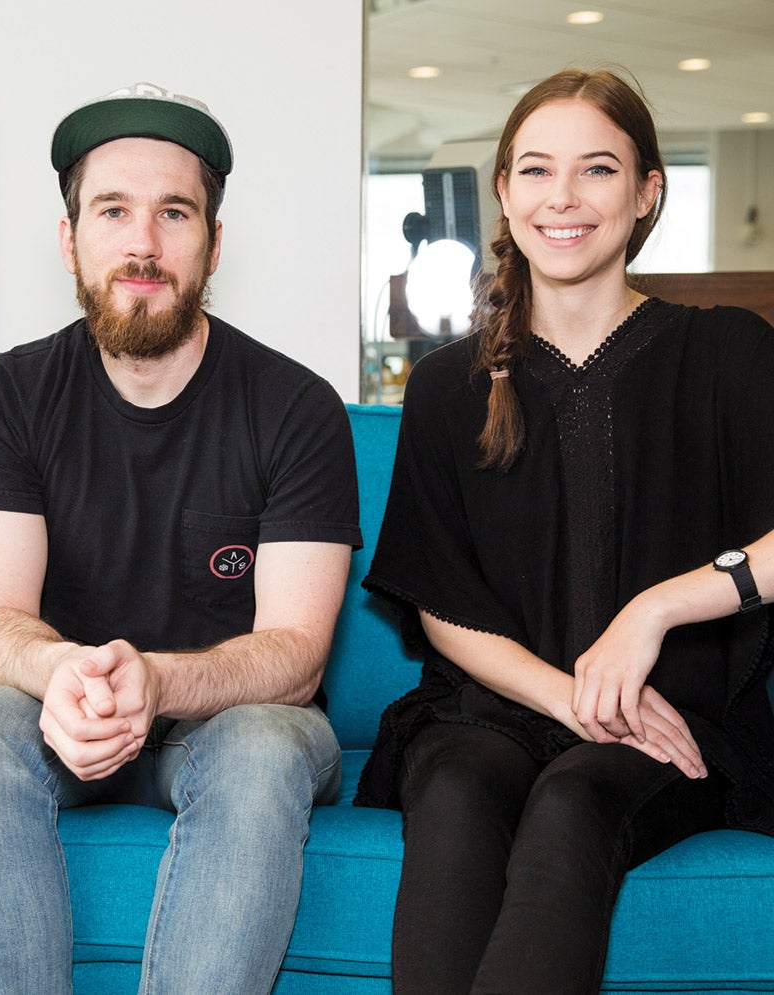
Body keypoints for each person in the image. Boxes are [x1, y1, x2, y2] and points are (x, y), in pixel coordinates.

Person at [0, 82, 362, 994]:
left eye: (175, 213)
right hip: (58, 716)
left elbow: (298, 655)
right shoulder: (12, 393)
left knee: (265, 746)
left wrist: (157, 680)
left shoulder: (295, 406)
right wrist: (72, 679)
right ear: (69, 236)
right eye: (113, 210)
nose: (144, 244)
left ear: (213, 241)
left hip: (226, 725)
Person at [353, 67, 774, 994]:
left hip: (675, 719)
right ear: (504, 192)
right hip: (496, 707)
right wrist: (570, 697)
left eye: (597, 169)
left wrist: (657, 609)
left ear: (646, 191)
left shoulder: (729, 352)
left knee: (578, 796)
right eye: (536, 171)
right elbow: (439, 603)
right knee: (457, 788)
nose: (564, 198)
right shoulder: (446, 386)